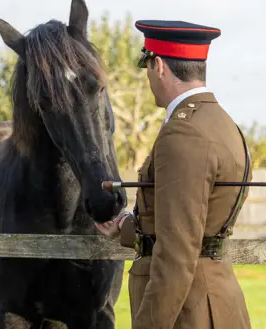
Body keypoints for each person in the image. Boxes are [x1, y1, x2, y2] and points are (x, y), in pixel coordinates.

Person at [95, 20, 252, 329]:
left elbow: (177, 253)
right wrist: (129, 226)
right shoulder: (220, 122)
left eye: (148, 68)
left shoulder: (184, 132)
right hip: (210, 300)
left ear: (159, 65)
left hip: (187, 312)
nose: (149, 78)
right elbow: (200, 226)